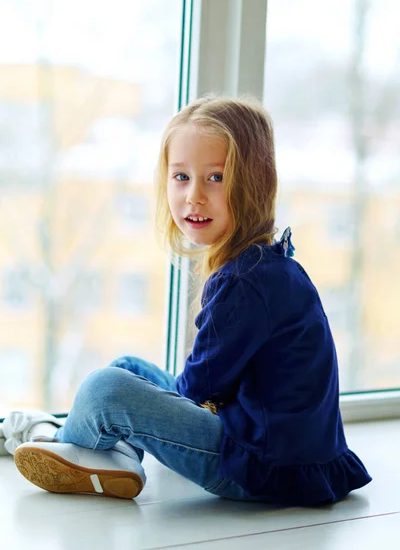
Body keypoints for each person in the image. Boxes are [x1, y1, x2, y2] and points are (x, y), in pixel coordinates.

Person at [0, 96, 371, 505]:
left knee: (107, 389)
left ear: (255, 182)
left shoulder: (246, 282)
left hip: (266, 468)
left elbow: (197, 388)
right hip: (277, 449)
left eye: (215, 178)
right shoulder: (267, 264)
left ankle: (60, 442)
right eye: (181, 177)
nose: (194, 195)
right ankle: (111, 458)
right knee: (127, 367)